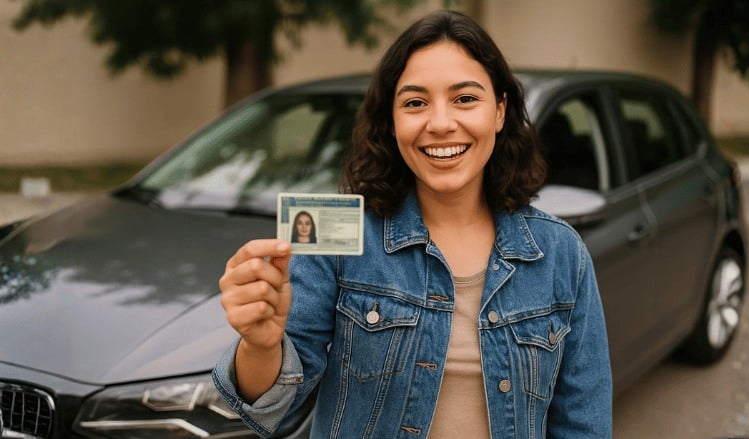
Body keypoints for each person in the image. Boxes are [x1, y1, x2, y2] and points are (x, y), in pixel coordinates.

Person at [213, 9, 612, 438]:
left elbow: (583, 424)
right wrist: (259, 345)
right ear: (392, 120)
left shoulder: (560, 253)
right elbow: (272, 408)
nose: (440, 123)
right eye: (415, 103)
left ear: (499, 111)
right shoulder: (339, 236)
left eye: (465, 98)